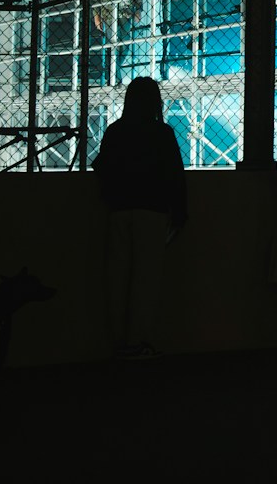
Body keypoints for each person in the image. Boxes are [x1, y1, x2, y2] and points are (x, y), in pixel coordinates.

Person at [92, 78, 186, 359]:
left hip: (120, 210)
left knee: (118, 277)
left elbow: (102, 168)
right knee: (146, 278)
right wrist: (179, 212)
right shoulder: (162, 133)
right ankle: (138, 341)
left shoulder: (116, 130)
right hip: (152, 211)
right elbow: (175, 175)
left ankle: (118, 341)